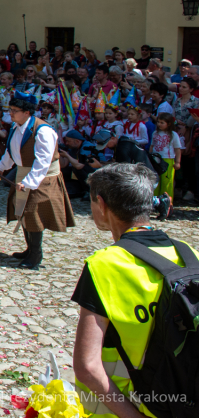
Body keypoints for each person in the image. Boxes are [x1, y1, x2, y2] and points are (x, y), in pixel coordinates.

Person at [71, 163, 199, 418]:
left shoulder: (104, 264)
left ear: (101, 204)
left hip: (135, 405)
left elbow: (87, 366)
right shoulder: (189, 253)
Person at [0, 91, 76, 270]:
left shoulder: (43, 130)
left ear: (27, 112)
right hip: (24, 174)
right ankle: (29, 249)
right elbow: (11, 151)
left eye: (15, 110)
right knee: (22, 212)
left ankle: (36, 255)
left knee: (33, 213)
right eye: (11, 109)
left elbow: (43, 161)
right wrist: (1, 167)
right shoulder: (16, 127)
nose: (11, 113)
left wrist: (29, 182)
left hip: (42, 178)